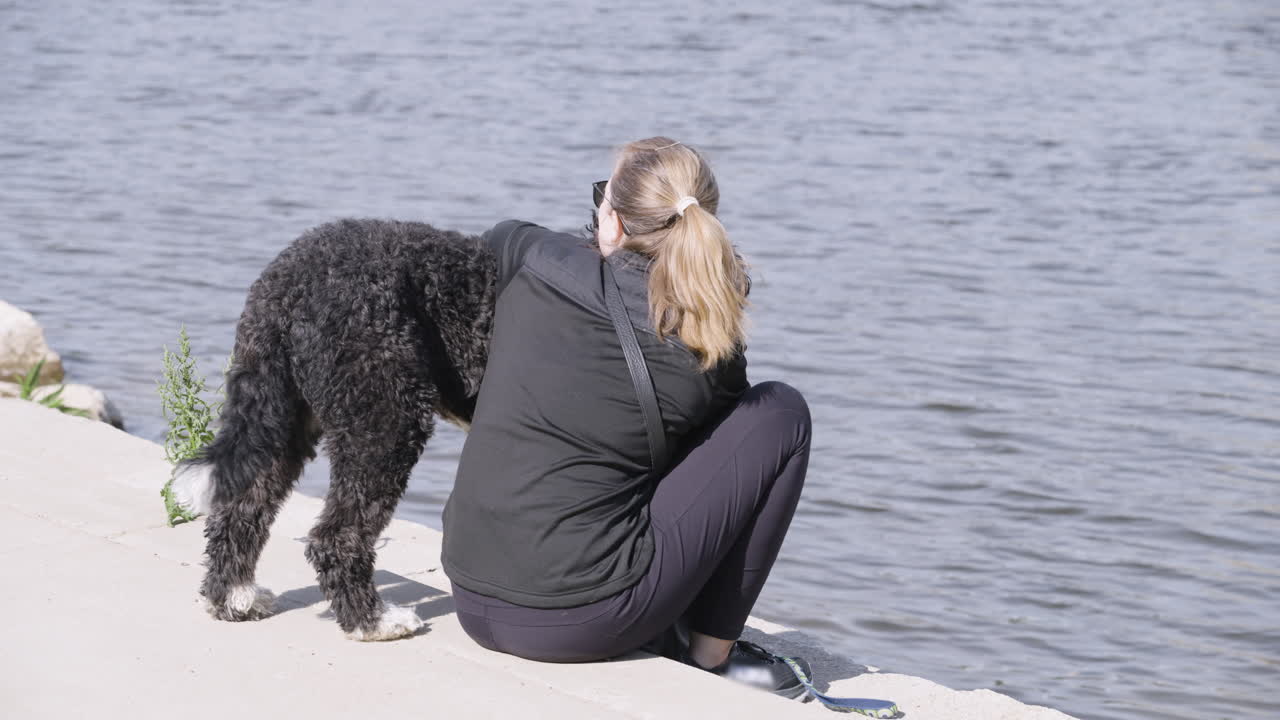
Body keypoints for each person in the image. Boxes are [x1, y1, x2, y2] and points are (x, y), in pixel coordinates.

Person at [441, 137, 813, 699]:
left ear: (611, 220)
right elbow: (715, 453)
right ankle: (712, 655)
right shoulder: (703, 337)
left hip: (468, 590)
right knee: (780, 412)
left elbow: (500, 237)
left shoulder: (531, 256)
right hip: (582, 622)